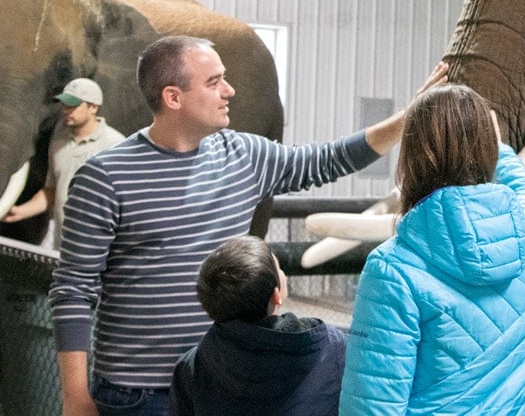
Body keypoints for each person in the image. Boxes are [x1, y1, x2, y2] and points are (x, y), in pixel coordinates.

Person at [49, 35, 447, 416]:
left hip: (223, 382)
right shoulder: (105, 177)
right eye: (214, 81)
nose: (229, 90)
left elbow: (327, 160)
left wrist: (407, 118)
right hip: (139, 395)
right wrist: (76, 398)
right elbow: (73, 290)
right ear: (173, 97)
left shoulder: (245, 155)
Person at [339, 84, 525, 415]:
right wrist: (499, 149)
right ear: (488, 152)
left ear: (415, 155)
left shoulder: (391, 270)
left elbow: (371, 407)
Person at [169, 235, 346, 415]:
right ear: (276, 295)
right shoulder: (332, 348)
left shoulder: (193, 366)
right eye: (279, 269)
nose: (283, 273)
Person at [2, 78, 125, 249]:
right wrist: (20, 212)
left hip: (98, 249)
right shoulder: (59, 140)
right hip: (61, 242)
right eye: (65, 105)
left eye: (73, 105)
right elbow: (53, 192)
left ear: (93, 107)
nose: (66, 110)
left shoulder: (116, 146)